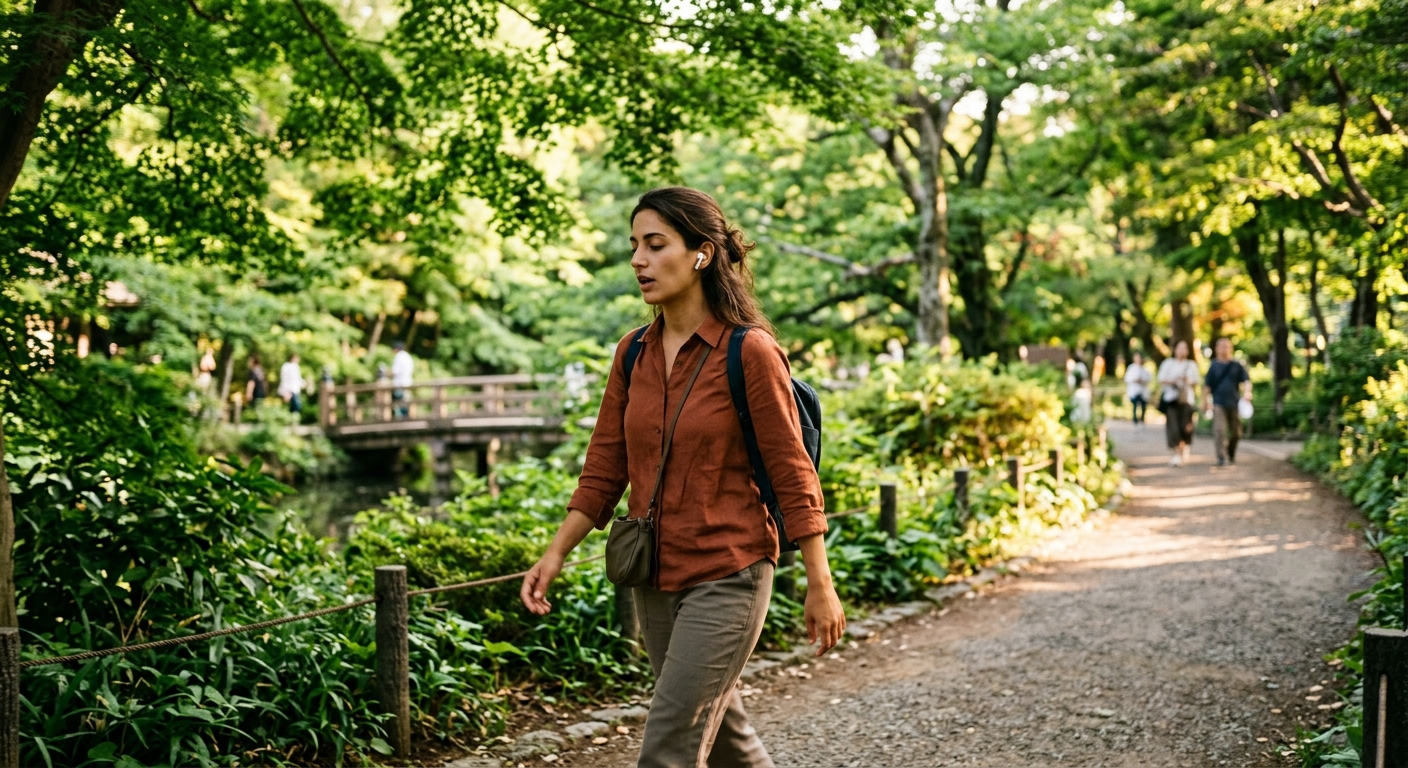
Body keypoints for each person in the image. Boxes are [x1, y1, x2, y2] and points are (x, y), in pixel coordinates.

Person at [520, 187, 844, 768]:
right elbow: (604, 466)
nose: (638, 261)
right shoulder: (632, 354)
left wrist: (819, 580)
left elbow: (792, 471)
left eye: (655, 244)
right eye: (634, 247)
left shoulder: (751, 353)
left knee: (668, 744)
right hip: (655, 577)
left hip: (731, 572)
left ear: (700, 254)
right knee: (726, 740)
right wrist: (555, 554)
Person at [1203, 338, 1252, 466]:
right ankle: (1221, 457)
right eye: (1222, 346)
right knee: (1219, 430)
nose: (1224, 349)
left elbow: (1246, 380)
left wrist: (1247, 392)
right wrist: (1204, 401)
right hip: (1218, 403)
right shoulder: (1213, 365)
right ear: (1217, 349)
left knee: (1236, 432)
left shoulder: (1237, 365)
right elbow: (1207, 386)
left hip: (1235, 403)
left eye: (1227, 346)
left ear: (1231, 348)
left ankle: (1230, 452)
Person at [1157, 340, 1200, 466]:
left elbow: (1196, 381)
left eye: (1184, 348)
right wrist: (1173, 381)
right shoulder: (1168, 363)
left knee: (1186, 427)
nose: (1181, 351)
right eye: (1179, 348)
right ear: (1175, 350)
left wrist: (1188, 380)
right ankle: (1177, 453)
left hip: (1186, 400)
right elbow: (1161, 379)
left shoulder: (1191, 365)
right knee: (1173, 427)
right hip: (1171, 399)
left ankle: (1184, 448)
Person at [1123, 352, 1153, 425]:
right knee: (1135, 404)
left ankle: (1142, 418)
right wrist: (1134, 380)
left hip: (1142, 390)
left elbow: (1149, 379)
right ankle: (1135, 419)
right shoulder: (1131, 368)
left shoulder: (1145, 369)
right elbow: (1127, 378)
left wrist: (1142, 380)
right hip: (1134, 390)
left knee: (1143, 405)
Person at [391, 341, 414, 419]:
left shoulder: (399, 357)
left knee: (399, 402)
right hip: (408, 382)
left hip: (400, 383)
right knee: (406, 401)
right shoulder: (407, 356)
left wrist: (386, 373)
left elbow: (395, 371)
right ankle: (407, 417)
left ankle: (401, 419)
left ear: (396, 349)